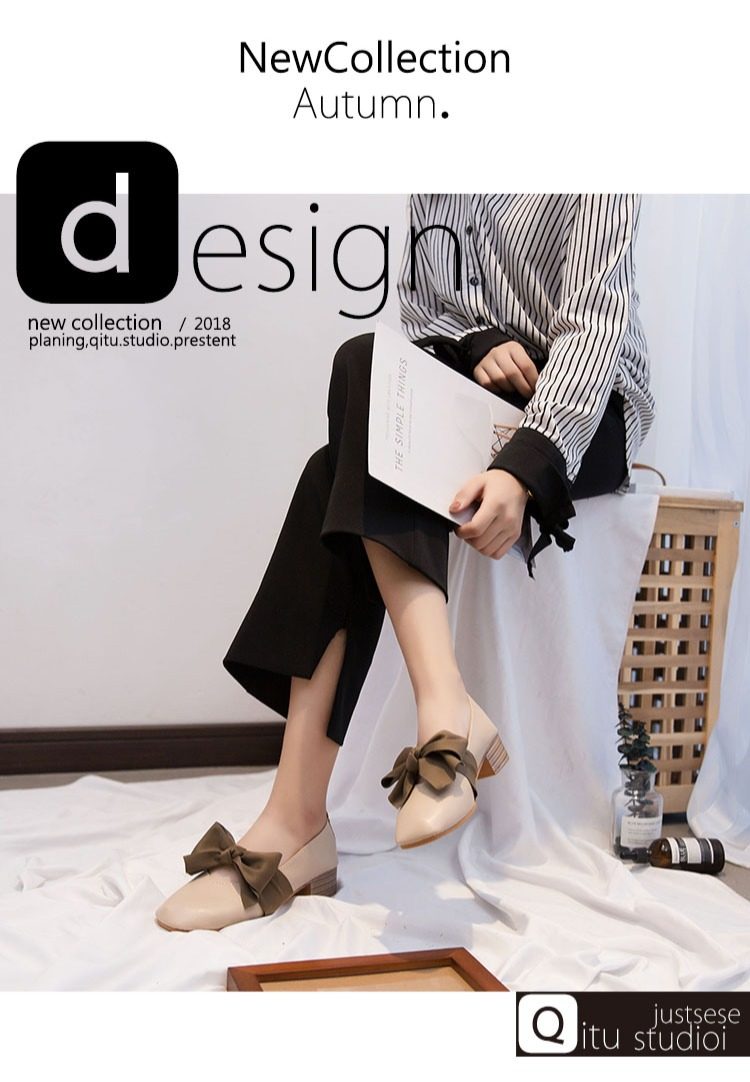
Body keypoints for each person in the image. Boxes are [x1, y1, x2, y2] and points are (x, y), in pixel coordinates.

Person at [155, 194, 655, 932]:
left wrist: (526, 467)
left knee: (340, 452)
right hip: (480, 386)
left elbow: (596, 324)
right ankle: (439, 710)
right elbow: (427, 306)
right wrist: (478, 339)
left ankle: (297, 822)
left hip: (586, 404)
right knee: (363, 366)